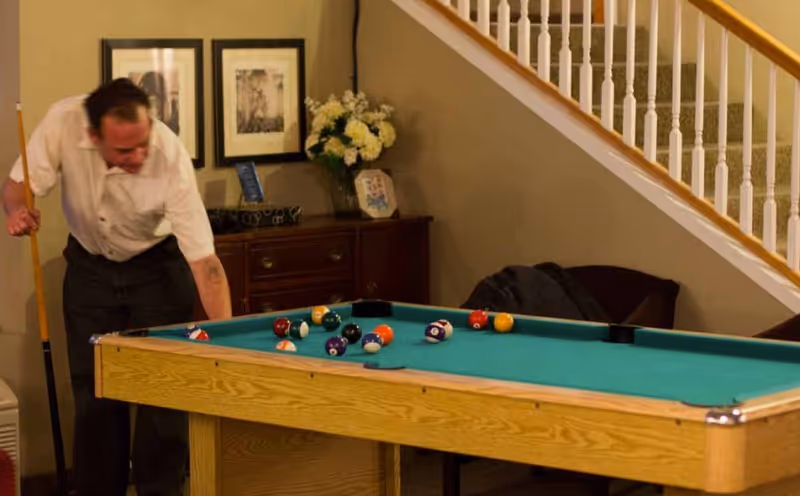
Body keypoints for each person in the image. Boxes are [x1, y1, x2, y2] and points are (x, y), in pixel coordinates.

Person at [1, 78, 232, 496]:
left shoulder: (168, 155)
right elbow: (18, 185)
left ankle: (160, 491)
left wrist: (226, 338)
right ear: (94, 136)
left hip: (157, 269)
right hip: (90, 270)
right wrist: (17, 210)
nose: (138, 156)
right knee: (95, 397)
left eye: (142, 143)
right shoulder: (63, 123)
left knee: (162, 396)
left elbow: (205, 264)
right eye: (125, 151)